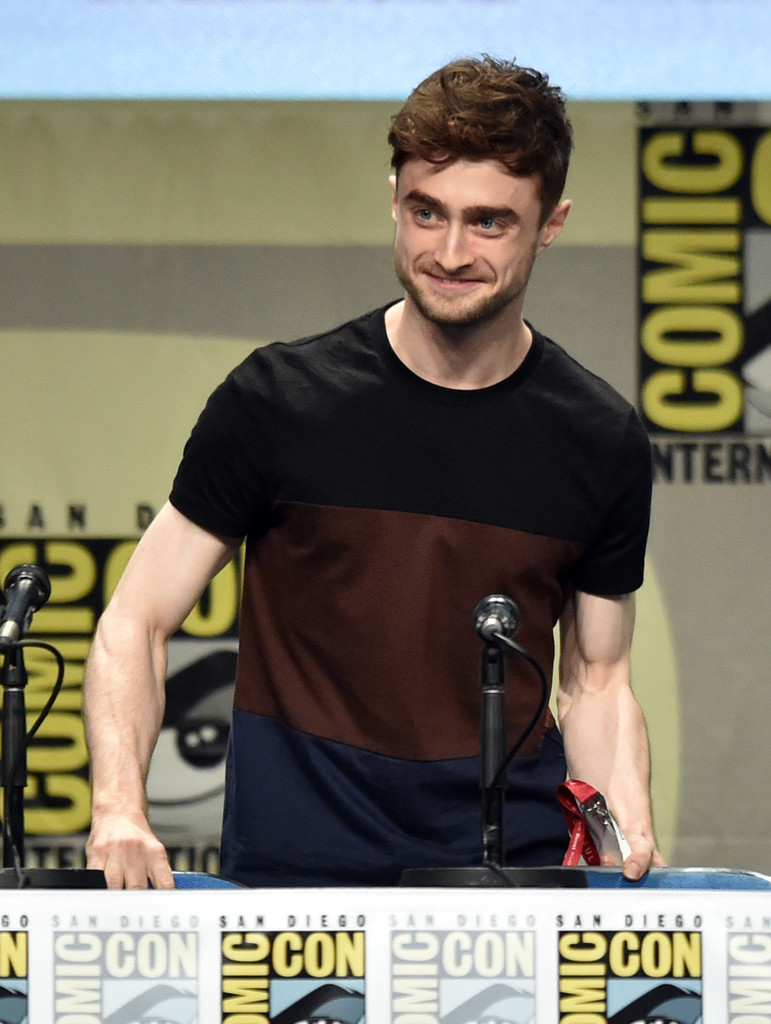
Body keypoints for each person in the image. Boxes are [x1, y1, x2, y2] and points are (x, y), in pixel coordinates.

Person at [84, 55, 665, 889]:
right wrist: (119, 810)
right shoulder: (278, 400)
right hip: (295, 883)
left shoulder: (598, 438)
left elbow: (597, 680)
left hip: (509, 880)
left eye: (489, 222)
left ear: (551, 223)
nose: (449, 251)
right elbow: (134, 622)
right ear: (393, 199)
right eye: (425, 212)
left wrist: (621, 833)